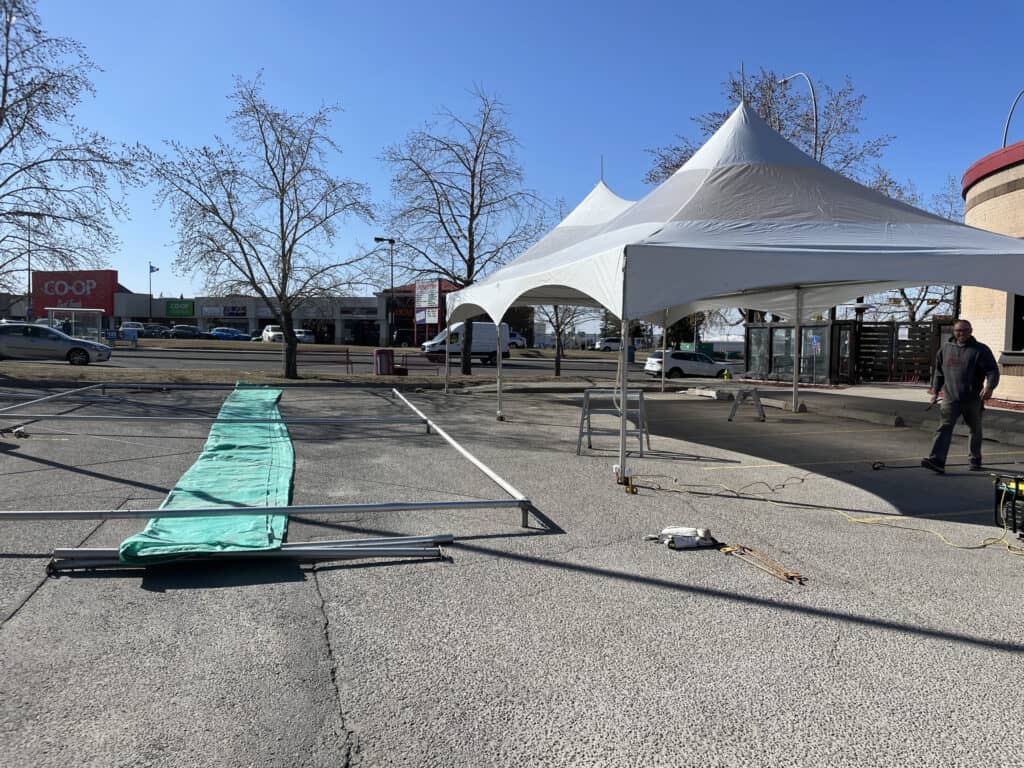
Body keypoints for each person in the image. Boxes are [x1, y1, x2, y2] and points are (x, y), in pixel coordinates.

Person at [921, 319, 999, 474]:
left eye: (965, 330)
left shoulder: (980, 350)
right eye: (958, 330)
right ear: (953, 331)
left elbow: (992, 371)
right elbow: (938, 373)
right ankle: (937, 460)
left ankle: (974, 459)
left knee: (975, 429)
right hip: (950, 398)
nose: (961, 333)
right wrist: (935, 391)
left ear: (971, 331)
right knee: (944, 428)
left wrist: (989, 386)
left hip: (973, 399)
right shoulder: (945, 349)